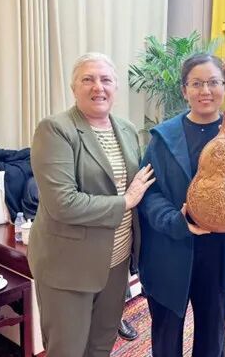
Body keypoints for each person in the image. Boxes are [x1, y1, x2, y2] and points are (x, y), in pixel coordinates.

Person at [28, 52, 155, 357]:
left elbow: (140, 183)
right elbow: (63, 203)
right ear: (74, 88)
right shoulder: (55, 129)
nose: (98, 87)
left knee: (101, 345)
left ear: (116, 88)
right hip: (68, 266)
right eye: (88, 79)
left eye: (106, 79)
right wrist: (125, 201)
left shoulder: (126, 128)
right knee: (67, 350)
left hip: (116, 262)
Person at [138, 53, 225, 356]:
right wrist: (175, 220)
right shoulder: (163, 137)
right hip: (170, 249)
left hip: (218, 253)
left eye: (213, 82)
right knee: (166, 335)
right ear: (184, 90)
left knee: (212, 335)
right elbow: (148, 193)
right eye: (196, 84)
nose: (205, 91)